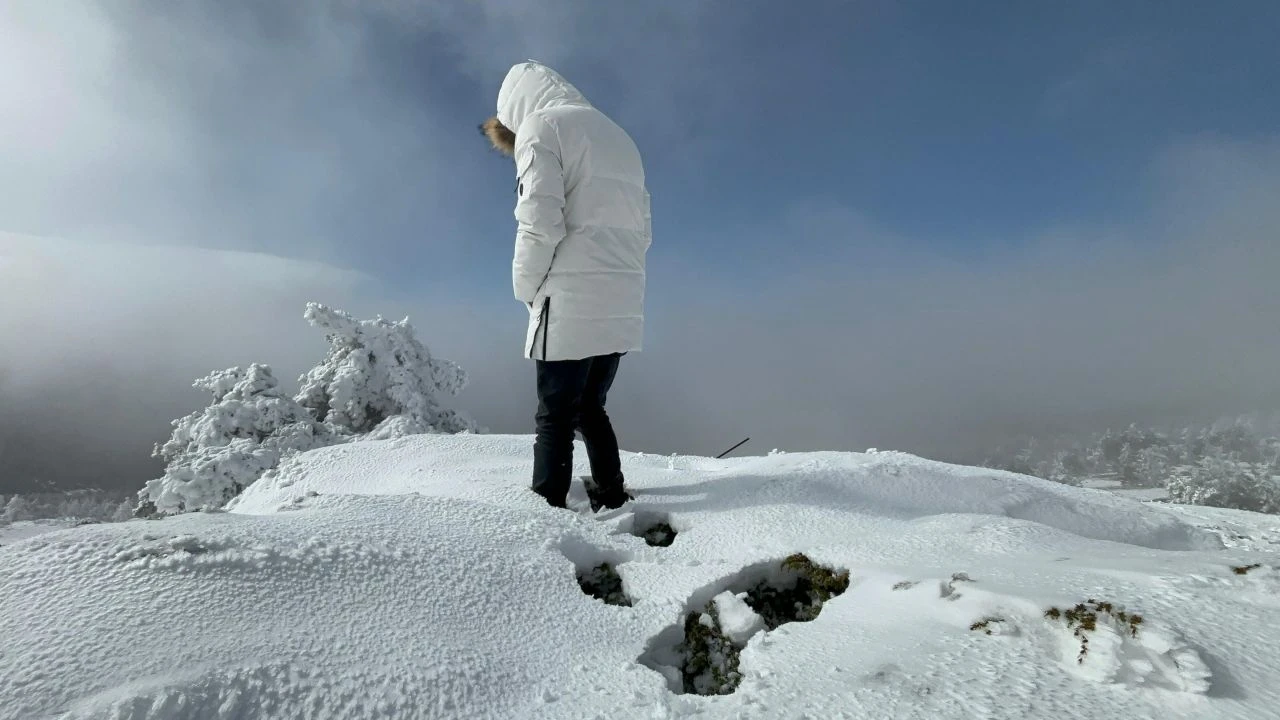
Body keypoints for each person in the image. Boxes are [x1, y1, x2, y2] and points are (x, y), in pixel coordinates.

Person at [481, 61, 652, 511]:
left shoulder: (542, 128)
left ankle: (547, 509)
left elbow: (538, 222)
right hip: (622, 297)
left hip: (568, 299)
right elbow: (643, 230)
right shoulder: (620, 138)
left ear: (513, 108)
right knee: (591, 407)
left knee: (554, 416)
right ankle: (612, 494)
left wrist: (527, 288)